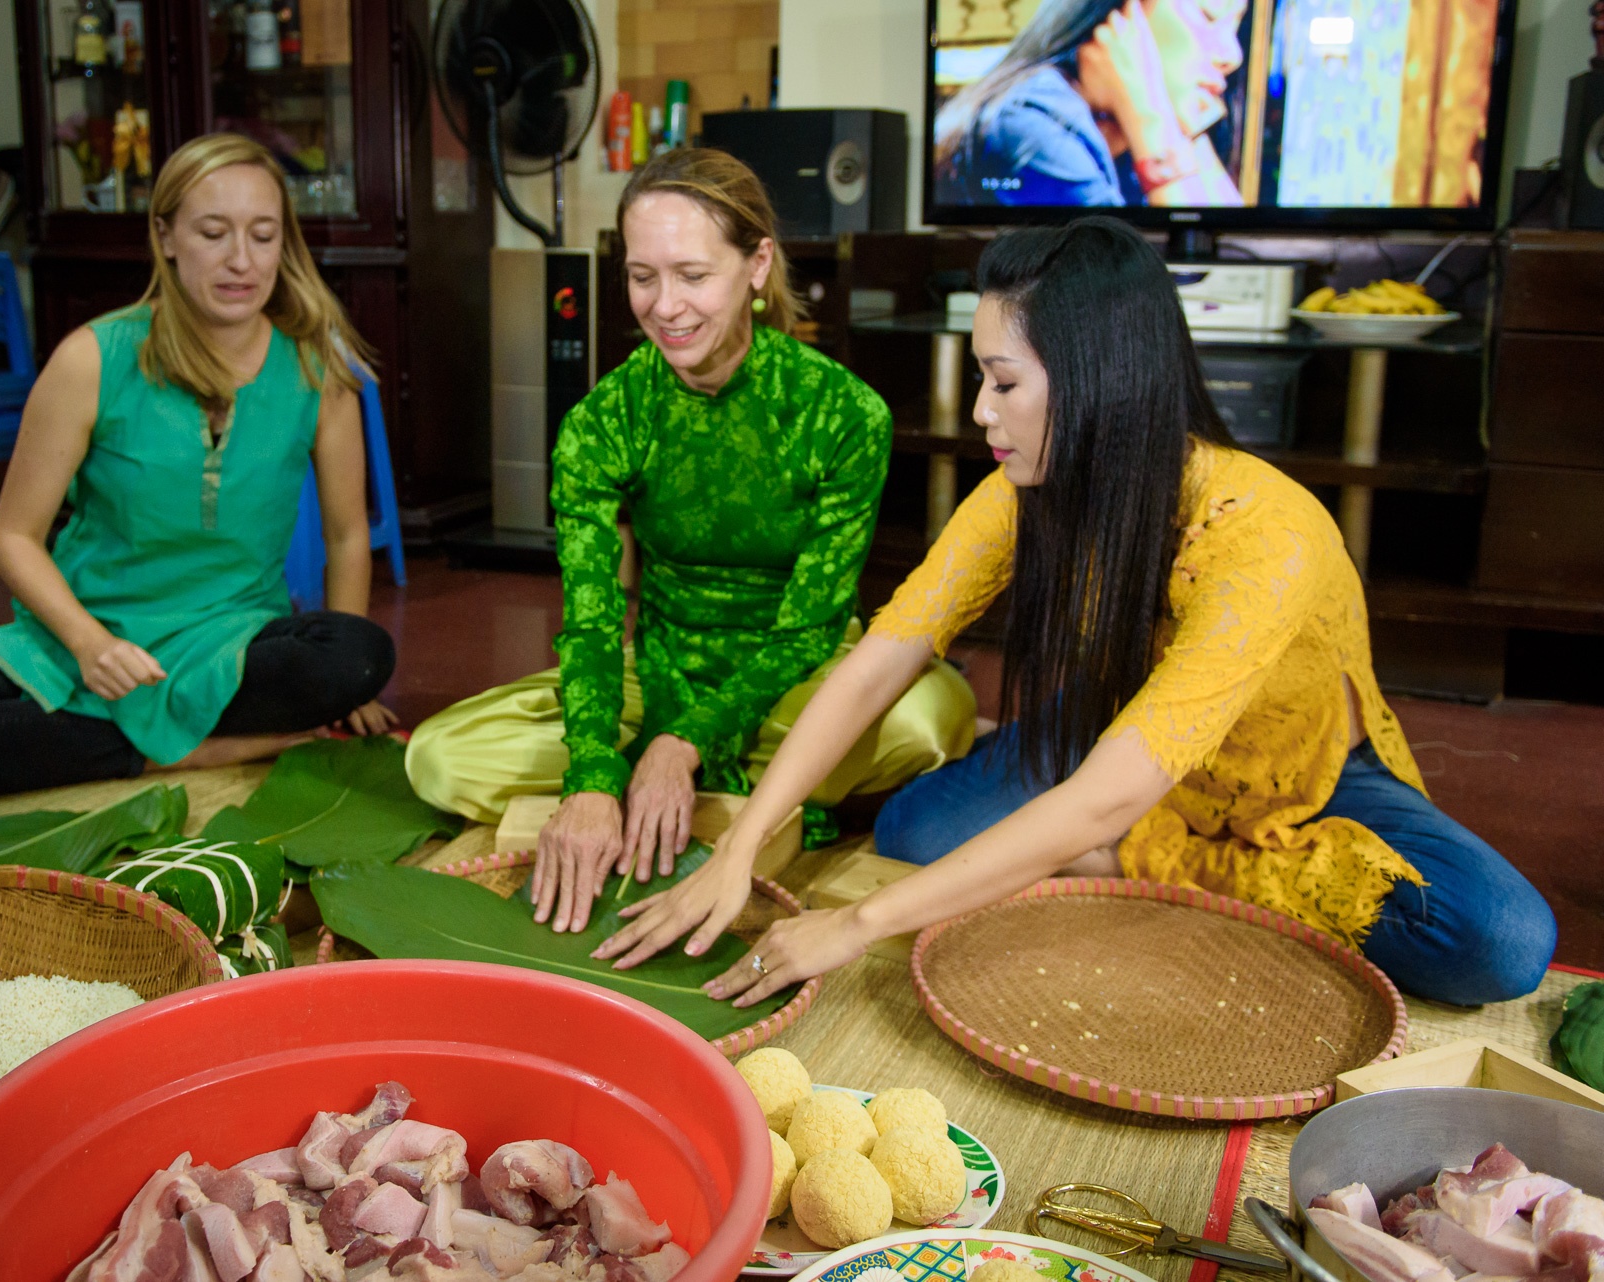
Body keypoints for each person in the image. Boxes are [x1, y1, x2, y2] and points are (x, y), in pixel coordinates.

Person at [596, 217, 1556, 1009]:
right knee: (913, 836)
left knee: (1502, 943)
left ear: (1101, 383)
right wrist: (742, 842)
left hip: (1292, 777)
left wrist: (849, 926)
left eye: (1004, 382)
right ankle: (1091, 840)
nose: (981, 411)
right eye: (980, 378)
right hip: (1108, 736)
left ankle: (1129, 856)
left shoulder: (1265, 532)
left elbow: (1110, 791)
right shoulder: (1023, 488)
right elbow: (884, 656)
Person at [404, 149, 977, 934]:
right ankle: (747, 794)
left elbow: (811, 629)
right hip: (662, 665)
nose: (666, 306)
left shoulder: (844, 414)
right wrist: (596, 777)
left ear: (756, 265)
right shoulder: (603, 421)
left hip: (796, 679)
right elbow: (595, 620)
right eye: (643, 277)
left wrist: (682, 743)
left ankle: (699, 781)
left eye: (693, 275)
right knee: (438, 757)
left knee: (931, 716)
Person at [0, 133, 397, 798]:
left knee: (358, 656)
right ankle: (176, 754)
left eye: (263, 235)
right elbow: (12, 538)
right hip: (90, 640)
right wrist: (89, 646)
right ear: (165, 236)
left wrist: (344, 695)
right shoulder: (93, 358)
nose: (241, 261)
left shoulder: (317, 371)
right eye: (213, 233)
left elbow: (345, 537)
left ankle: (104, 742)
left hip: (228, 645)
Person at [932, 0, 1247, 208]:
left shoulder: (1125, 133)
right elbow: (1131, 295)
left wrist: (1180, 127)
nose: (1232, 55)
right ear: (1125, 13)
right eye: (1210, 17)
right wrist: (1151, 119)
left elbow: (1233, 239)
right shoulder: (1031, 127)